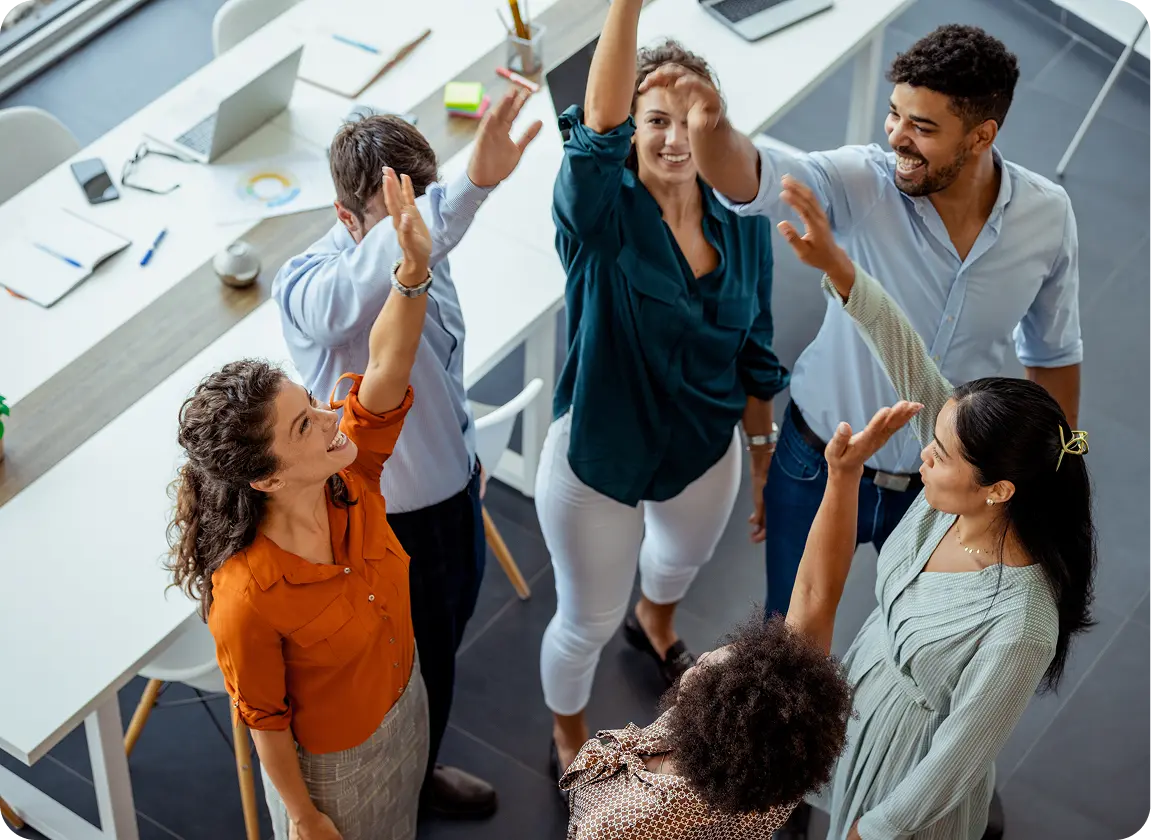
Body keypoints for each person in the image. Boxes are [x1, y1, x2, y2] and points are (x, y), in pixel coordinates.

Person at [640, 23, 1083, 625]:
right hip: (818, 463)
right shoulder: (864, 181)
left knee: (918, 644)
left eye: (923, 127)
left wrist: (1059, 473)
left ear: (981, 135)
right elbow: (758, 178)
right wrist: (712, 130)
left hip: (945, 489)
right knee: (785, 633)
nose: (898, 136)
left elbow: (1053, 355)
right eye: (894, 114)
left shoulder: (1047, 217)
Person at [774, 175, 1097, 840]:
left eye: (941, 454)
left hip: (910, 769)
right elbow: (905, 352)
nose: (923, 455)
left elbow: (957, 758)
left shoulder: (1021, 626)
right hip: (863, 699)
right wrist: (838, 266)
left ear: (998, 489)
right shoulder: (953, 497)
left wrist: (876, 830)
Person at [270, 90, 542, 820]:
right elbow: (362, 291)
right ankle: (388, 798)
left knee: (442, 653)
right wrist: (456, 200)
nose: (418, 233)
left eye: (420, 209)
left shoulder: (429, 250)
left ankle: (420, 773)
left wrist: (466, 454)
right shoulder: (306, 286)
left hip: (452, 498)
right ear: (344, 218)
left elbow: (445, 367)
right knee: (390, 678)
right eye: (394, 217)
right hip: (376, 527)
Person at [541, 0, 790, 777]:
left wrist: (759, 452)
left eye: (690, 117)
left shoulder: (743, 219)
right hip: (601, 459)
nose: (675, 137)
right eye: (656, 119)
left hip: (701, 446)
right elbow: (595, 131)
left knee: (679, 562)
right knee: (583, 621)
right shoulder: (598, 216)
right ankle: (566, 735)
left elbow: (755, 346)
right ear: (633, 129)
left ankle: (655, 621)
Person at [168, 170, 439, 839]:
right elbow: (265, 720)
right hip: (337, 768)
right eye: (303, 426)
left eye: (311, 405)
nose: (328, 420)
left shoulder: (351, 477)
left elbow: (385, 368)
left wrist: (411, 271)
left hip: (408, 702)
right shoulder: (246, 594)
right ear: (263, 479)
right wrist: (303, 817)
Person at [560, 403, 922, 839]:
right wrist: (845, 474)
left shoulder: (620, 824)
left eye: (715, 668)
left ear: (705, 724)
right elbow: (815, 596)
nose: (705, 657)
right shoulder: (773, 768)